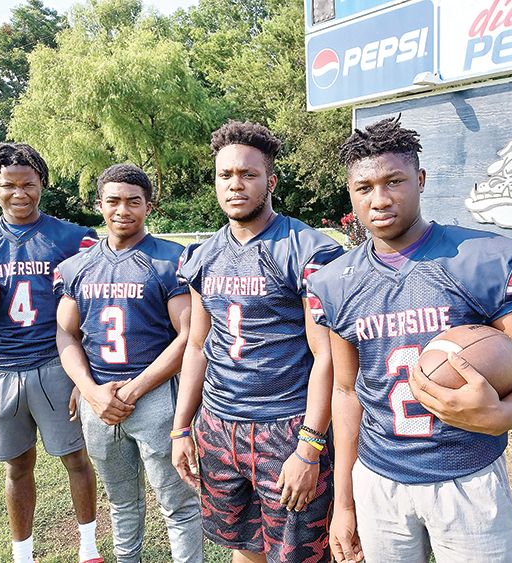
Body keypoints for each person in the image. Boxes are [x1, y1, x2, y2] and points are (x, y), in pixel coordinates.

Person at [306, 117, 512, 563]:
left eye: (394, 181)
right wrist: (344, 503)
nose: (379, 199)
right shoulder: (334, 281)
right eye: (364, 187)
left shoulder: (482, 259)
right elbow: (347, 392)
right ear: (350, 193)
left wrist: (503, 414)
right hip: (379, 477)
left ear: (421, 180)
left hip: (466, 474)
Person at [170, 120, 344, 563]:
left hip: (285, 426)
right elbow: (197, 345)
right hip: (218, 424)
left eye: (248, 174)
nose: (235, 184)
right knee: (243, 546)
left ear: (271, 181)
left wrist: (310, 445)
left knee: (298, 555)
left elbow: (326, 356)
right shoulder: (201, 255)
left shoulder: (308, 250)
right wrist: (181, 427)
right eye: (225, 175)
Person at [0, 143, 103, 563]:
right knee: (16, 466)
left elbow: (92, 309)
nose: (19, 193)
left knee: (76, 458)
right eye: (8, 185)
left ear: (42, 184)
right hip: (0, 367)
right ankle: (22, 554)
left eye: (29, 184)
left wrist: (84, 377)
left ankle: (89, 548)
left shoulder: (73, 238)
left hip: (56, 364)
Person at [55, 163, 203, 563]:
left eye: (134, 201)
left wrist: (134, 389)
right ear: (99, 205)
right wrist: (90, 391)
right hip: (99, 399)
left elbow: (188, 336)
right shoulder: (77, 266)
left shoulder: (171, 260)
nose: (123, 210)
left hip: (156, 395)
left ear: (148, 207)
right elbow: (66, 334)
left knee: (178, 503)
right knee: (121, 503)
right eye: (114, 201)